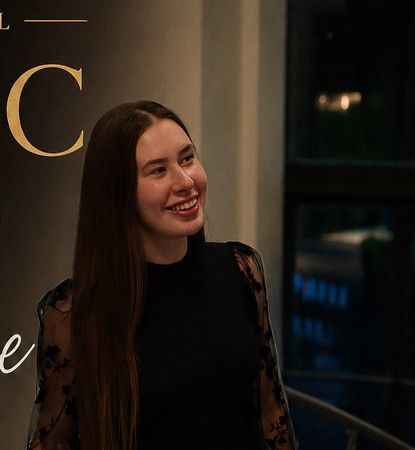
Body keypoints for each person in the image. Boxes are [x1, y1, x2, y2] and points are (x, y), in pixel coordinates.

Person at [26, 101, 297, 450]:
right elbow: (53, 443)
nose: (186, 181)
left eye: (187, 158)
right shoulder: (73, 312)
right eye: (158, 170)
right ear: (118, 192)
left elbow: (269, 408)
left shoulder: (241, 269)